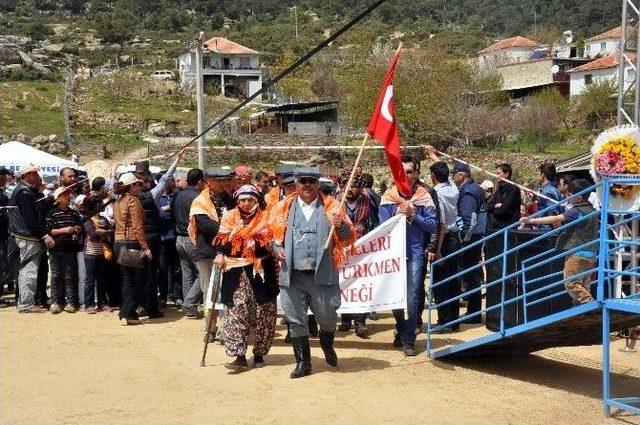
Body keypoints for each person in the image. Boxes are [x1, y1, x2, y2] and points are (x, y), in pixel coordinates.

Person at [270, 167, 355, 378]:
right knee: (296, 319)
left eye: (311, 181)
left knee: (327, 317)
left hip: (323, 274)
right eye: (303, 181)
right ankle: (303, 362)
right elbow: (270, 235)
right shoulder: (283, 208)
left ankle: (327, 345)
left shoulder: (333, 207)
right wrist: (276, 248)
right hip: (293, 275)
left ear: (317, 184)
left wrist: (341, 225)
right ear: (296, 184)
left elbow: (347, 238)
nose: (307, 185)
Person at [214, 184, 279, 369]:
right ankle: (239, 355)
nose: (246, 203)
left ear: (256, 200)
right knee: (236, 311)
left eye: (250, 199)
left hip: (260, 271)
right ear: (237, 200)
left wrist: (248, 239)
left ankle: (259, 354)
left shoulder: (265, 218)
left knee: (263, 313)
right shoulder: (229, 217)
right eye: (242, 199)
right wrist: (219, 253)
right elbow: (221, 239)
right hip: (235, 272)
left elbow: (266, 242)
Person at [379, 155, 438, 356]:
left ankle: (409, 338)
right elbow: (382, 227)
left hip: (415, 253)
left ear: (417, 174)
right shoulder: (388, 196)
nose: (405, 174)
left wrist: (414, 214)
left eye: (410, 171)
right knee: (395, 296)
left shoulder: (424, 196)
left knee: (413, 297)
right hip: (394, 253)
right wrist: (397, 213)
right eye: (402, 171)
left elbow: (432, 225)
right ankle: (402, 328)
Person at [520, 179, 598, 304]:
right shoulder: (593, 210)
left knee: (571, 283)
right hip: (592, 254)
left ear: (578, 197)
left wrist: (531, 220)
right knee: (583, 286)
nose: (567, 197)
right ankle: (582, 315)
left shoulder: (577, 210)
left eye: (570, 194)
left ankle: (592, 305)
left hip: (578, 254)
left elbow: (557, 218)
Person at [134, 153, 181, 319]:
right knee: (151, 274)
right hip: (152, 238)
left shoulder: (126, 198)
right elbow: (165, 179)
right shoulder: (152, 195)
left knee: (137, 274)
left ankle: (138, 305)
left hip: (135, 239)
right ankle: (151, 307)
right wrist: (177, 160)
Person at [336, 170, 379, 338]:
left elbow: (376, 224)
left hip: (363, 250)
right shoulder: (336, 203)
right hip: (342, 249)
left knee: (362, 284)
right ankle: (345, 318)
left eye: (353, 185)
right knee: (344, 284)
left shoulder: (370, 201)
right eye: (345, 185)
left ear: (360, 188)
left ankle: (360, 321)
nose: (349, 189)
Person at [8, 164, 54, 313]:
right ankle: (26, 304)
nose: (36, 176)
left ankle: (25, 302)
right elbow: (30, 218)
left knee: (27, 270)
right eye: (33, 174)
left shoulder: (28, 191)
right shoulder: (24, 193)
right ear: (26, 176)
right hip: (27, 236)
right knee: (29, 270)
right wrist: (44, 235)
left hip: (27, 236)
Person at [188, 168, 225, 341]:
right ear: (210, 181)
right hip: (207, 252)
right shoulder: (200, 201)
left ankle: (226, 328)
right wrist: (229, 229)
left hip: (226, 252)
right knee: (208, 292)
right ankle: (210, 328)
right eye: (219, 180)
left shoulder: (228, 199)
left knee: (225, 291)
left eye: (226, 180)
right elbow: (205, 226)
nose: (223, 184)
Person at [113, 172, 152, 325]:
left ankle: (127, 311)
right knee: (139, 280)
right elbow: (137, 227)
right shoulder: (133, 201)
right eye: (138, 185)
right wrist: (145, 247)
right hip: (131, 243)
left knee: (128, 280)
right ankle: (129, 312)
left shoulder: (118, 201)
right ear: (132, 186)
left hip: (119, 242)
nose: (140, 188)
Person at [427, 160, 460, 333]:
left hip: (444, 239)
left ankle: (444, 321)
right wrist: (432, 154)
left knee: (440, 282)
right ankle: (454, 321)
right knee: (453, 280)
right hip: (455, 237)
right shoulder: (453, 188)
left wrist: (437, 250)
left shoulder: (436, 193)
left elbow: (440, 224)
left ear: (433, 176)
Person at [451, 162, 486, 323]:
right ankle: (473, 312)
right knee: (471, 276)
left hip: (469, 240)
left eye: (454, 174)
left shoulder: (469, 192)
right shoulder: (472, 188)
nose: (452, 176)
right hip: (473, 238)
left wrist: (463, 239)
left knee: (469, 276)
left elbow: (469, 219)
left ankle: (473, 313)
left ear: (462, 175)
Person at [172, 168, 205, 319]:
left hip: (179, 239)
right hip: (192, 238)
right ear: (199, 181)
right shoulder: (197, 197)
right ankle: (190, 303)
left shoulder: (179, 195)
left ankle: (188, 304)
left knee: (187, 273)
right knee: (203, 273)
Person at [46, 187, 84, 314]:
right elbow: (49, 230)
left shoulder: (74, 213)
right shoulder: (52, 213)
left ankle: (71, 302)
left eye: (68, 194)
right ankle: (55, 302)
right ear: (58, 198)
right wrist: (65, 230)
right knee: (56, 275)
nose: (68, 196)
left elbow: (79, 227)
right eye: (64, 195)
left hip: (70, 249)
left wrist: (76, 231)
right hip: (56, 248)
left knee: (70, 275)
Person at [78, 194, 112, 313]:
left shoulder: (102, 219)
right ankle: (89, 304)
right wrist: (103, 232)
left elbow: (109, 230)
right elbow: (92, 234)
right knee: (90, 279)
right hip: (90, 252)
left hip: (101, 252)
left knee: (101, 279)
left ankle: (103, 303)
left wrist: (101, 231)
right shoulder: (87, 219)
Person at [156, 173, 182, 307]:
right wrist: (162, 211)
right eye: (170, 180)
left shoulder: (177, 196)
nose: (173, 182)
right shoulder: (156, 197)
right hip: (162, 238)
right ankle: (163, 297)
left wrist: (170, 209)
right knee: (162, 270)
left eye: (173, 180)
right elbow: (156, 215)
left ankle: (177, 296)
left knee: (177, 269)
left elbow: (179, 212)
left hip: (175, 236)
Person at [485, 163, 522, 230]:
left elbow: (504, 209)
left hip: (508, 228)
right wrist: (495, 205)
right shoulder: (499, 189)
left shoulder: (513, 189)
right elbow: (487, 206)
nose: (496, 176)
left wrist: (495, 207)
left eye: (498, 173)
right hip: (496, 227)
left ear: (506, 174)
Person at [536, 163, 562, 228]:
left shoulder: (546, 192)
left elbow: (553, 213)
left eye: (538, 174)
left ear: (542, 175)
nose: (537, 176)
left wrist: (556, 233)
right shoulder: (555, 189)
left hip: (546, 230)